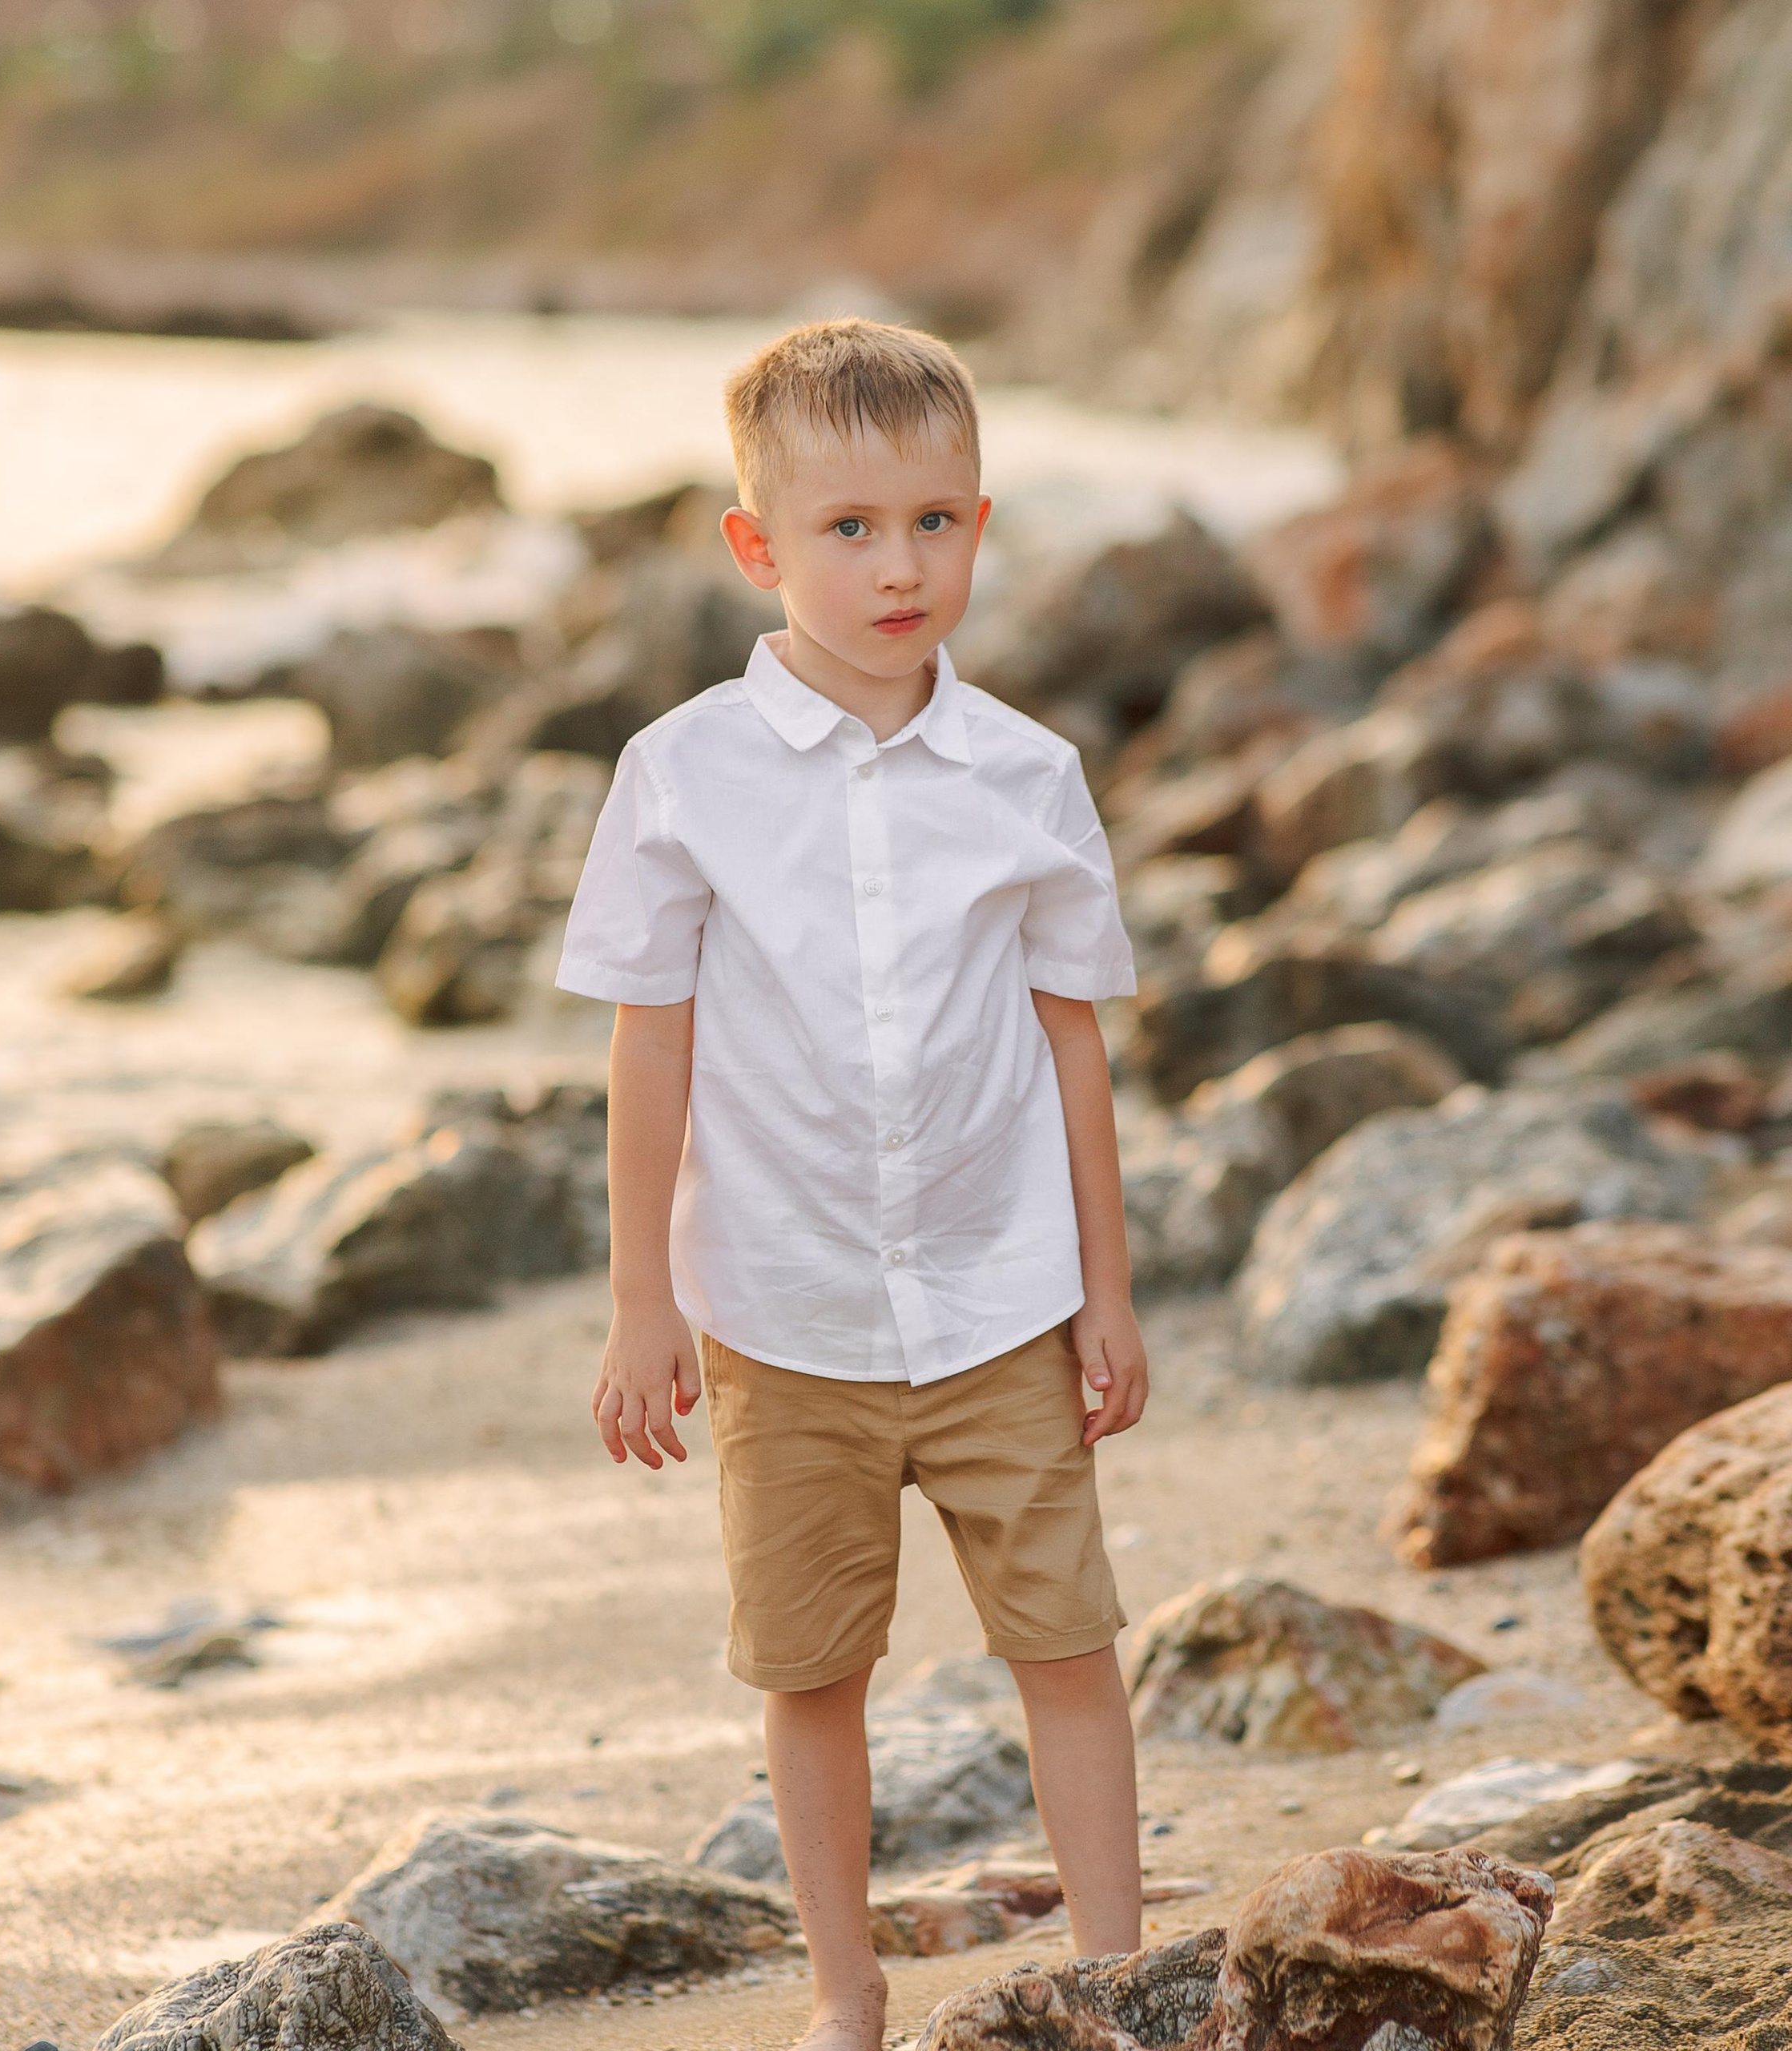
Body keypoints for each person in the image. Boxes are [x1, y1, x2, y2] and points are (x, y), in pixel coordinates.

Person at [552, 316, 1150, 2051]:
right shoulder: (681, 776)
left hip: (998, 1295)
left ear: (979, 520)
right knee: (809, 1666)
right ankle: (843, 1990)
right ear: (757, 544)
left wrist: (1104, 1288)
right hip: (781, 1308)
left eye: (935, 521)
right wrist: (638, 1299)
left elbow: (1071, 1046)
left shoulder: (1028, 777)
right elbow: (648, 1041)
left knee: (1066, 1638)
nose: (900, 566)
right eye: (848, 528)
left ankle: (1113, 1971)